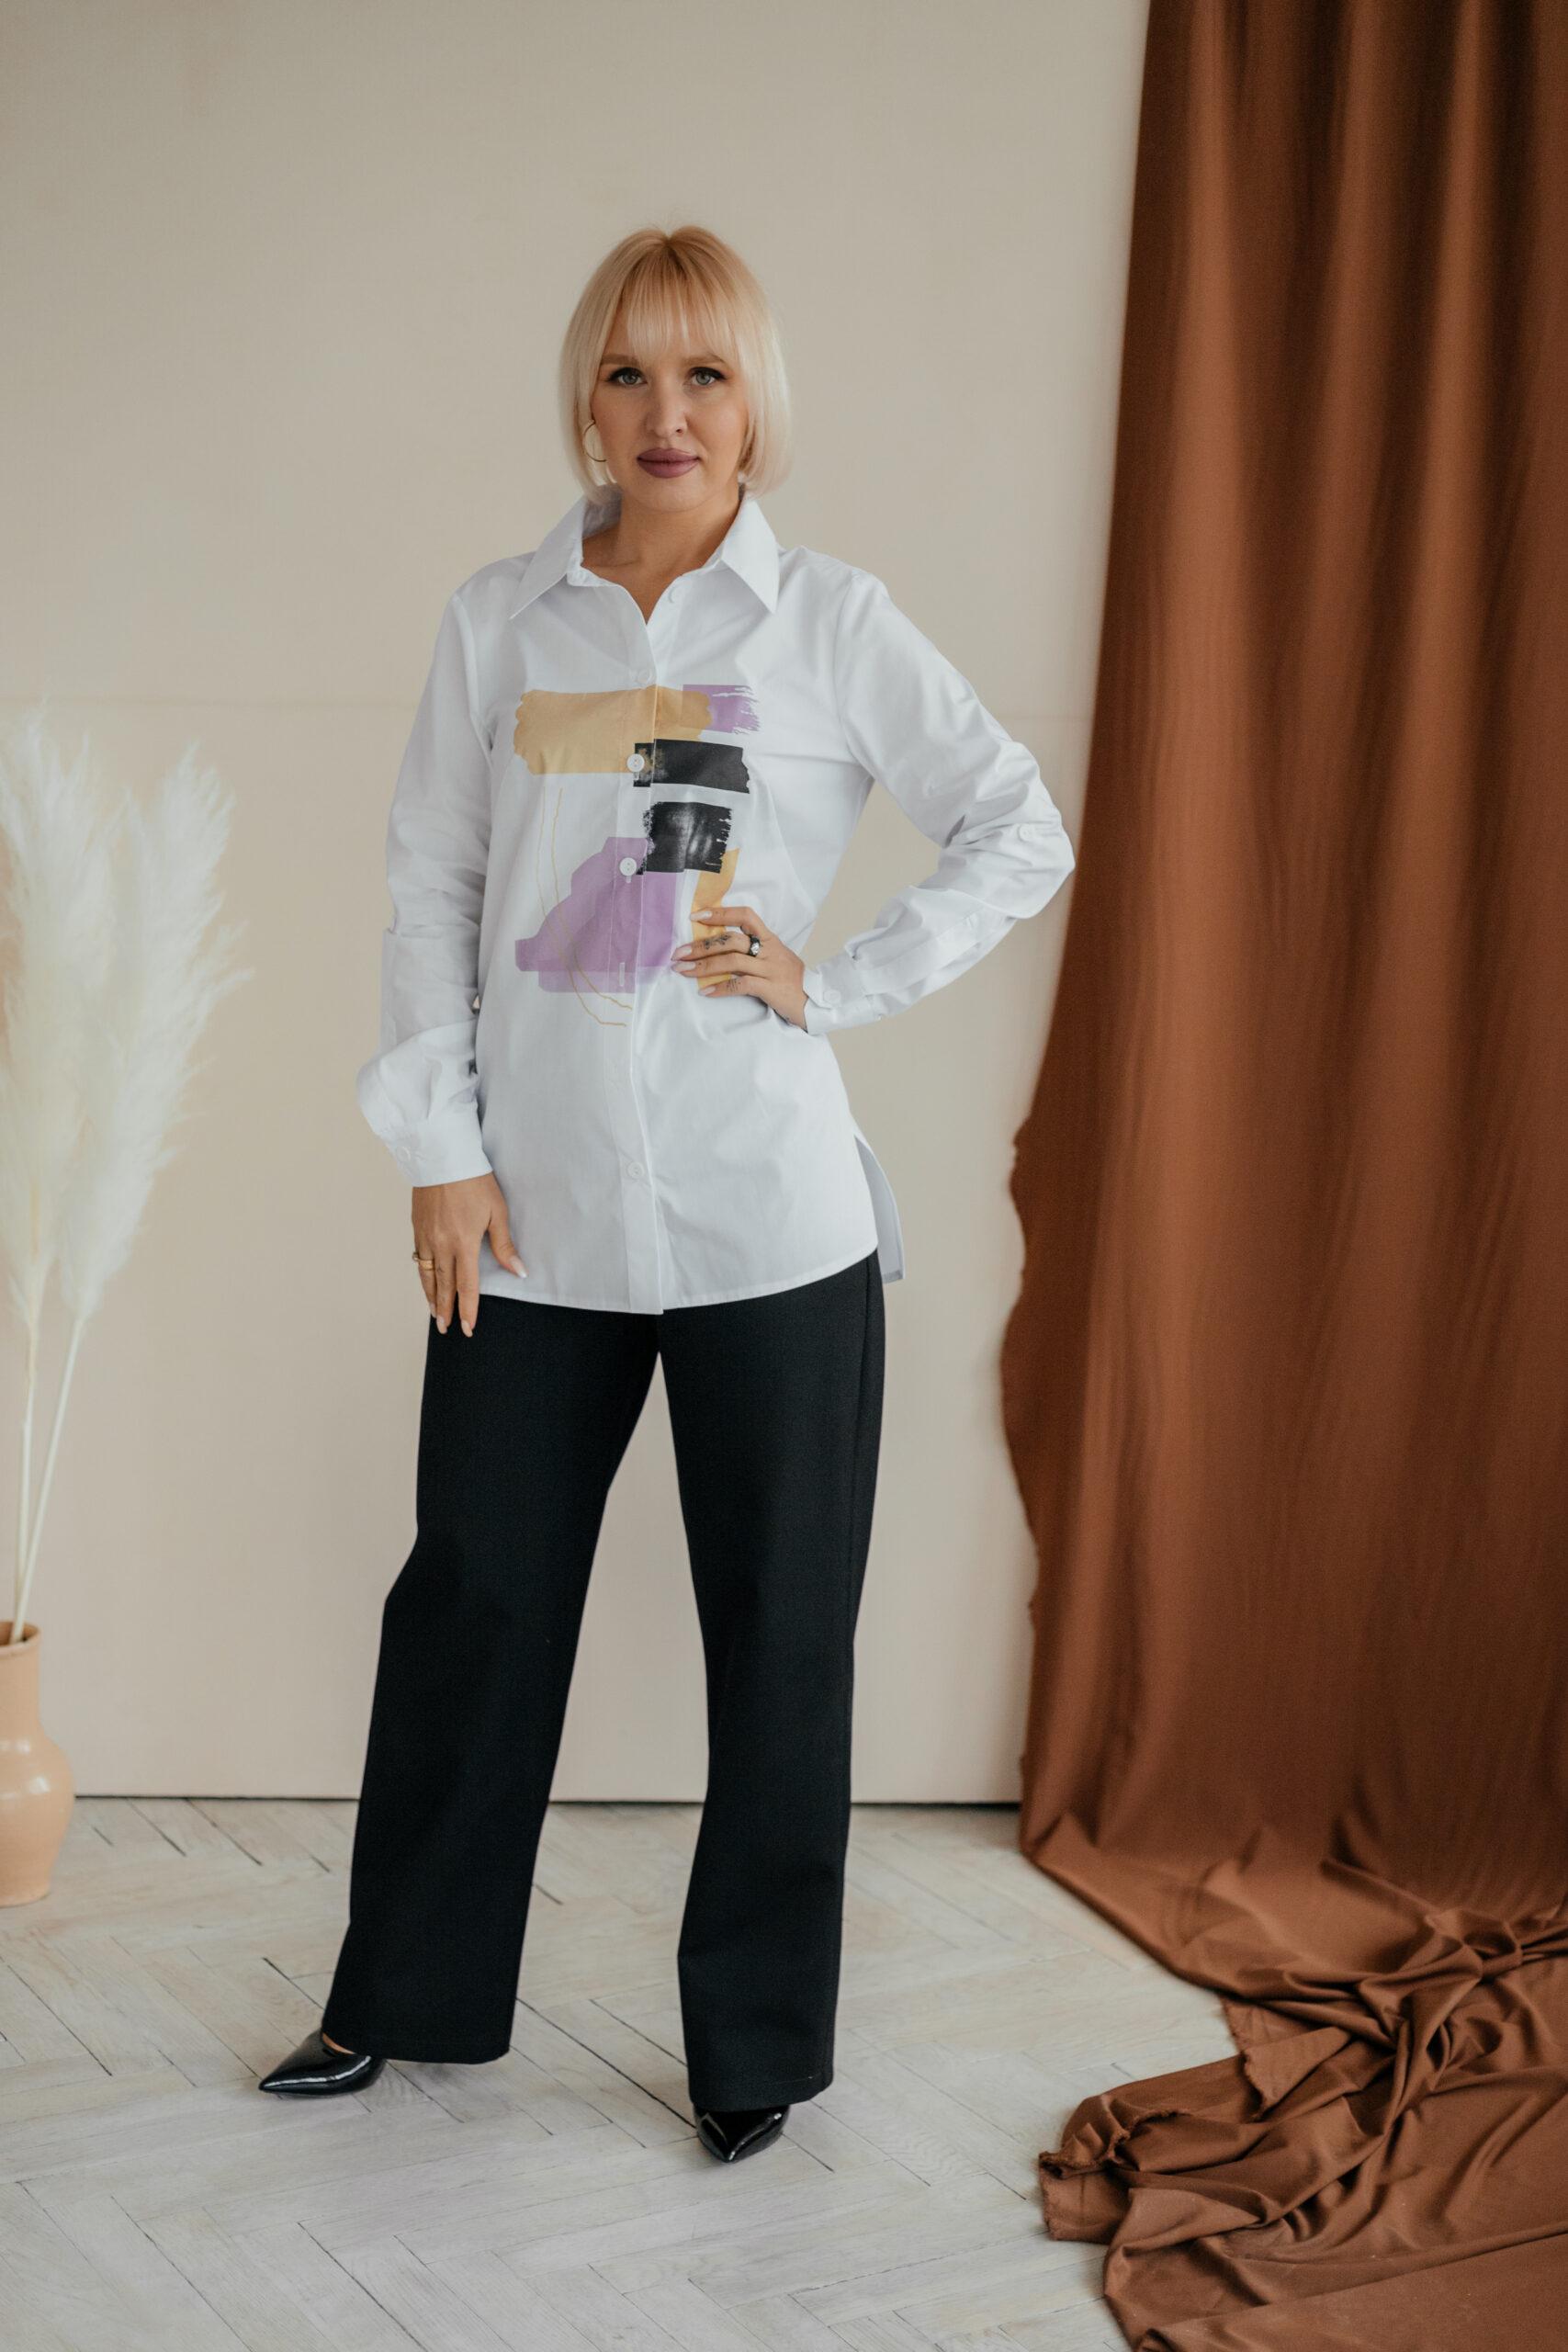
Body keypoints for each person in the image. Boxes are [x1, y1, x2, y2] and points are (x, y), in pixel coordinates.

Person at [258, 223, 1075, 2162]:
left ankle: (752, 2052)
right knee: (471, 1602)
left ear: (755, 403)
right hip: (530, 1221)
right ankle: (400, 1996)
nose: (665, 412)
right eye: (628, 371)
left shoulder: (834, 623)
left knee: (780, 1637)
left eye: (704, 373)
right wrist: (438, 1150)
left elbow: (1012, 822)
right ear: (586, 397)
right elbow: (430, 889)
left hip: (766, 1222)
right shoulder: (498, 621)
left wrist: (834, 978)